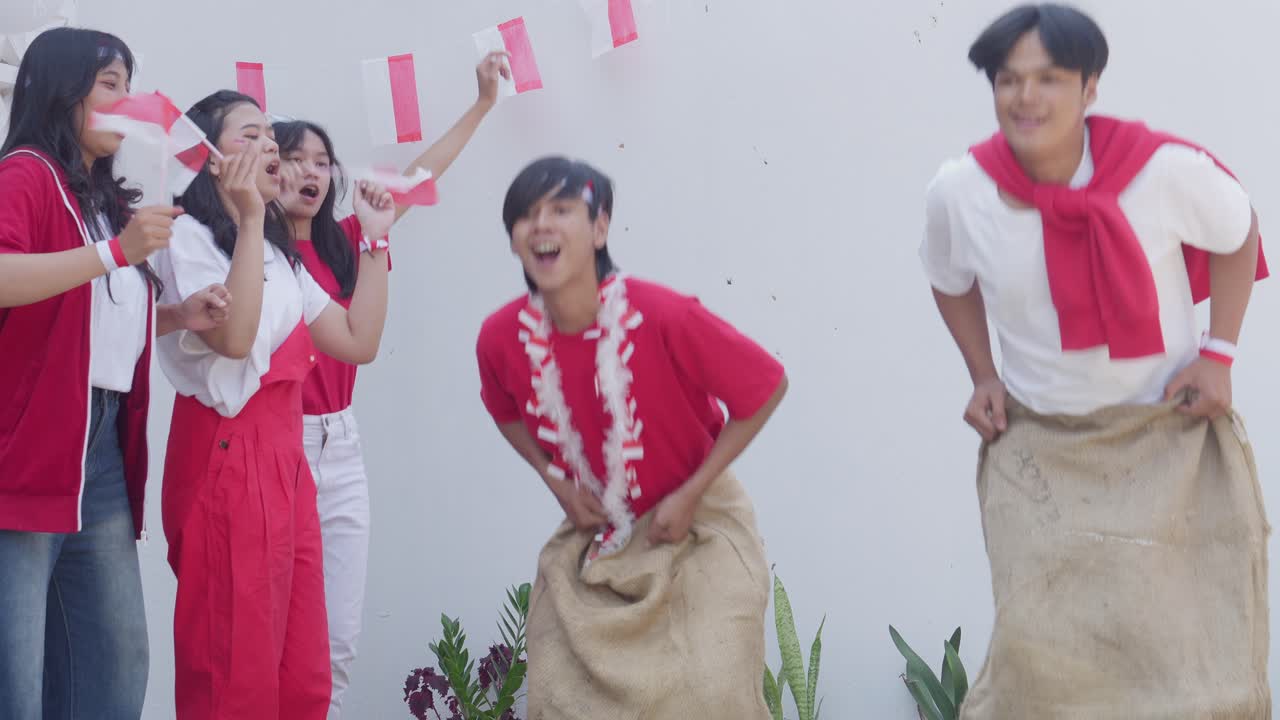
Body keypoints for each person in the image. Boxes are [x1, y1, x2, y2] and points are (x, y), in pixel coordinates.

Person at [919, 5, 1269, 717]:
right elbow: (948, 278)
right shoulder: (962, 192)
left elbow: (1238, 230)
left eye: (1049, 78)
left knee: (1181, 650)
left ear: (1090, 87)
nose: (1027, 97)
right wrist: (981, 374)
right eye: (1009, 80)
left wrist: (1220, 354)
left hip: (1163, 441)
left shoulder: (1163, 171)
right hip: (1040, 449)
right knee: (1037, 652)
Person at [475, 157, 787, 719]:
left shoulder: (664, 315)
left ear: (599, 228)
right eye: (525, 216)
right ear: (513, 239)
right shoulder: (501, 338)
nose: (541, 225)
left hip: (699, 525)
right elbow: (503, 411)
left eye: (561, 209)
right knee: (563, 695)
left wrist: (692, 492)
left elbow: (765, 387)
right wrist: (558, 482)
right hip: (598, 534)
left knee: (712, 692)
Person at [0, 27, 228, 720]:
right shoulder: (26, 173)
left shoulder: (108, 201)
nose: (127, 102)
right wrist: (114, 253)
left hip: (98, 457)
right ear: (62, 90)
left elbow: (87, 325)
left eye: (129, 85)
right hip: (26, 452)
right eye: (110, 84)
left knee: (117, 664)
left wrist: (177, 315)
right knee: (17, 677)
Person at [272, 50, 508, 717]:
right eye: (293, 158)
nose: (310, 172)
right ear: (265, 167)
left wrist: (483, 104)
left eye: (322, 161)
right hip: (274, 445)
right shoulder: (250, 255)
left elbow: (419, 175)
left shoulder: (351, 240)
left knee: (338, 642)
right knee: (275, 637)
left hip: (340, 449)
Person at [152, 89, 394, 720]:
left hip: (287, 464)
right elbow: (234, 342)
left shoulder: (283, 259)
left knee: (302, 665)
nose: (269, 150)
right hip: (226, 458)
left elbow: (356, 341)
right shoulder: (190, 239)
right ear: (209, 157)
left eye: (269, 139)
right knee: (234, 668)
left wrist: (375, 243)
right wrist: (254, 220)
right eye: (251, 136)